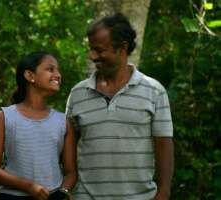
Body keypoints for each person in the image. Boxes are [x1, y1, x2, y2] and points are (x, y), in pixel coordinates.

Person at [66, 13, 174, 200]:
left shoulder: (154, 91)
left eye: (99, 50)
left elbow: (163, 144)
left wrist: (163, 192)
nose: (92, 56)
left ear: (122, 48)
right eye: (91, 49)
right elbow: (67, 145)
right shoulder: (77, 93)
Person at [0, 51, 77, 200]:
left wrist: (63, 192)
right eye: (50, 69)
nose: (58, 75)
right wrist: (28, 186)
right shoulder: (5, 117)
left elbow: (71, 172)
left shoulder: (63, 122)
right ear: (30, 76)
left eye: (58, 70)